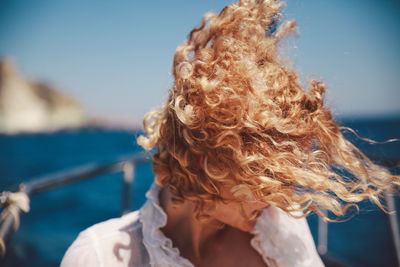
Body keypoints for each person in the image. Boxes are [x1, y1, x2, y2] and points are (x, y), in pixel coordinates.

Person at [61, 0, 399, 266]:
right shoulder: (99, 257)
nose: (283, 197)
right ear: (201, 159)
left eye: (285, 176)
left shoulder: (278, 229)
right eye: (266, 176)